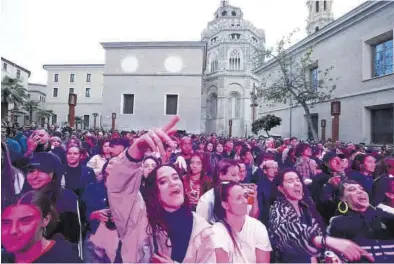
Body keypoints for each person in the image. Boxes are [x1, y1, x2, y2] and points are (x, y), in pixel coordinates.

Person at [106, 116, 215, 263]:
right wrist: (136, 150)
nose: (173, 183)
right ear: (154, 192)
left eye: (176, 178)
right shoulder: (136, 218)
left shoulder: (203, 230)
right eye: (163, 181)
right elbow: (118, 189)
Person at [268, 168, 374, 263]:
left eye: (298, 180)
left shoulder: (306, 207)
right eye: (290, 181)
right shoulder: (278, 208)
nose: (297, 183)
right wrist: (324, 241)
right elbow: (286, 229)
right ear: (281, 188)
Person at [1, 190, 82, 263]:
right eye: (5, 223)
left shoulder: (66, 258)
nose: (13, 230)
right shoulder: (4, 258)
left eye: (25, 221)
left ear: (45, 220)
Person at [327, 180, 394, 262]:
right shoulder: (338, 222)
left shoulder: (383, 214)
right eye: (352, 189)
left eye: (362, 189)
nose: (360, 191)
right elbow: (335, 257)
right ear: (342, 198)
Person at [212, 181, 272, 263]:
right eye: (238, 198)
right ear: (225, 205)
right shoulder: (217, 231)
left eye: (245, 196)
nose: (245, 201)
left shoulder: (258, 227)